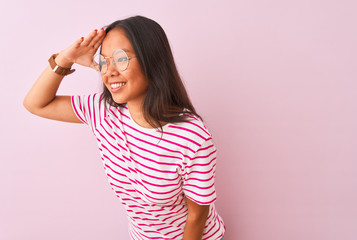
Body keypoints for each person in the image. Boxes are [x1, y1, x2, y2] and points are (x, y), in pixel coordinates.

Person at [23, 15, 226, 240]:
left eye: (121, 58)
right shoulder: (102, 112)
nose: (108, 71)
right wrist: (65, 59)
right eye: (104, 61)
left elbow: (197, 217)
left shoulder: (191, 135)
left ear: (152, 60)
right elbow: (35, 104)